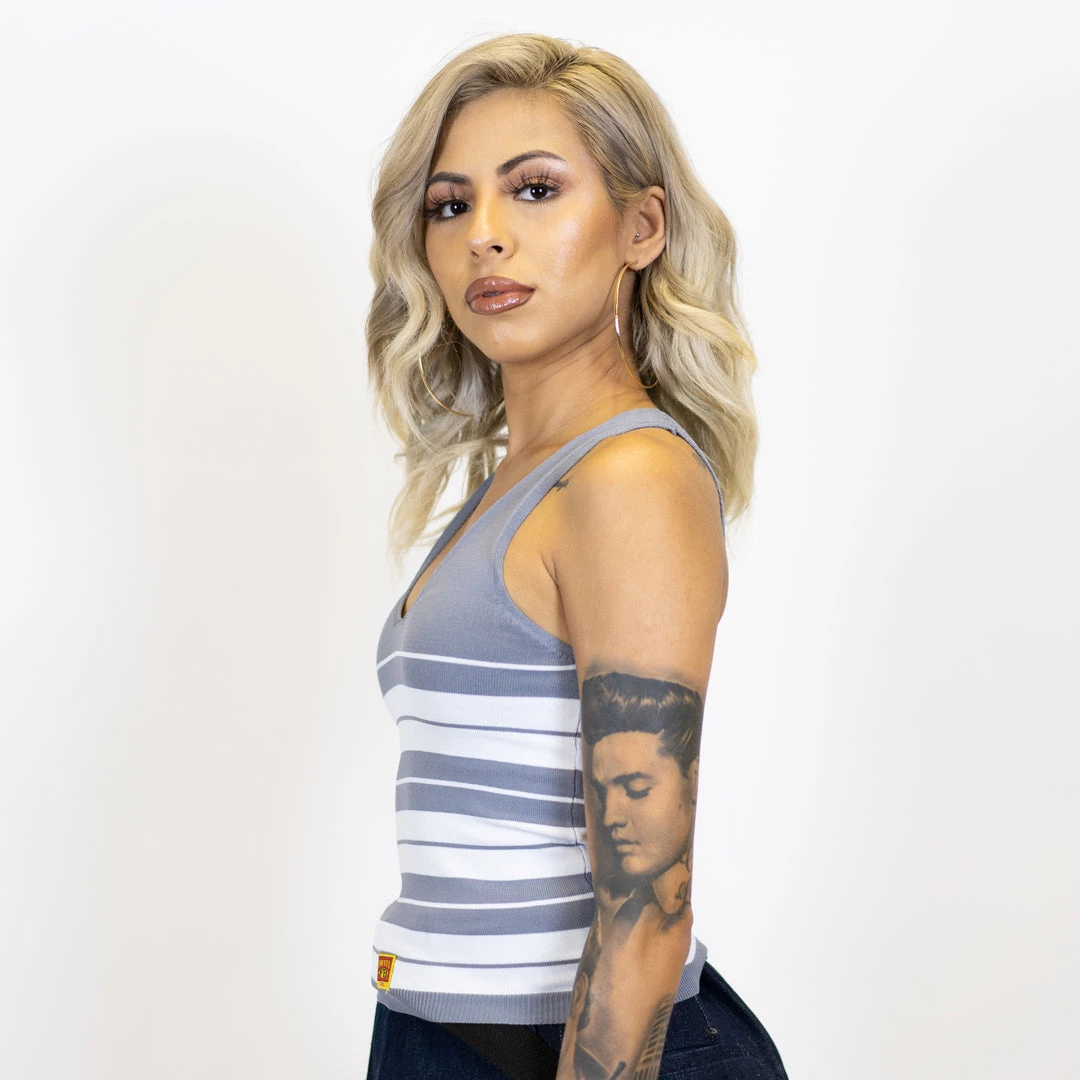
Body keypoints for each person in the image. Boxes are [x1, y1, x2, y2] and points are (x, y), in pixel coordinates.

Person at [364, 31, 788, 1080]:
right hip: (439, 1032)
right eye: (451, 204)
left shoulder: (627, 479)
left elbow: (647, 911)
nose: (485, 236)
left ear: (642, 227)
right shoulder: (515, 483)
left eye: (535, 190)